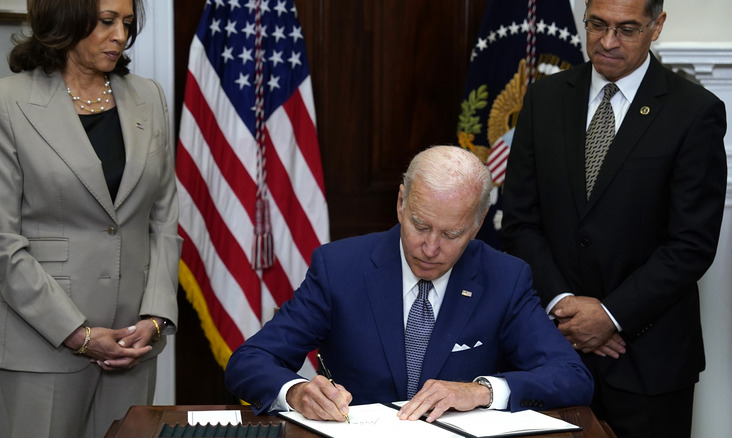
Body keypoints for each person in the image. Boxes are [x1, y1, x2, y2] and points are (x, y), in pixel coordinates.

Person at [225, 145, 593, 423]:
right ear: (401, 203)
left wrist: (482, 391)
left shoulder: (504, 278)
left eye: (451, 233)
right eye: (420, 225)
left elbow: (573, 377)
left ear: (478, 224)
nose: (430, 248)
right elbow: (249, 361)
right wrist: (297, 392)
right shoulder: (339, 268)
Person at [501, 0, 727, 436]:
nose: (607, 42)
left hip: (648, 361)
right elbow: (520, 222)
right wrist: (564, 306)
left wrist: (609, 315)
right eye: (597, 25)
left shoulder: (694, 111)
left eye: (627, 29)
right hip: (551, 347)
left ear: (657, 25)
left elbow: (691, 244)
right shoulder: (544, 98)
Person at [0, 1, 182, 437]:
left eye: (126, 23)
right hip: (40, 343)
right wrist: (76, 333)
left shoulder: (149, 97)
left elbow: (162, 220)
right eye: (106, 22)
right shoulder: (4, 101)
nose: (120, 36)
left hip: (131, 342)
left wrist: (156, 317)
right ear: (65, 20)